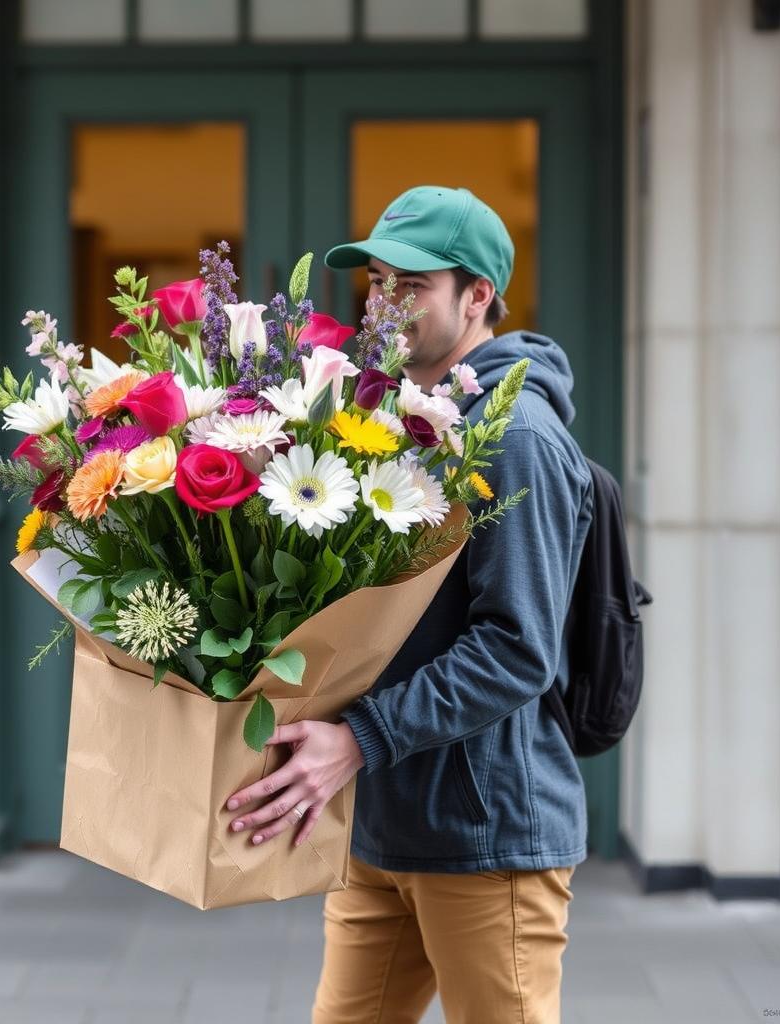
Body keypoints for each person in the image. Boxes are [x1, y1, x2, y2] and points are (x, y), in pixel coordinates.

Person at [224, 185, 593, 1023]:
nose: (383, 305)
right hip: (381, 823)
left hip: (483, 836)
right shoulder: (389, 419)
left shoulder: (518, 435)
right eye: (377, 282)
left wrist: (358, 739)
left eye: (411, 286)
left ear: (478, 297)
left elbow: (517, 647)